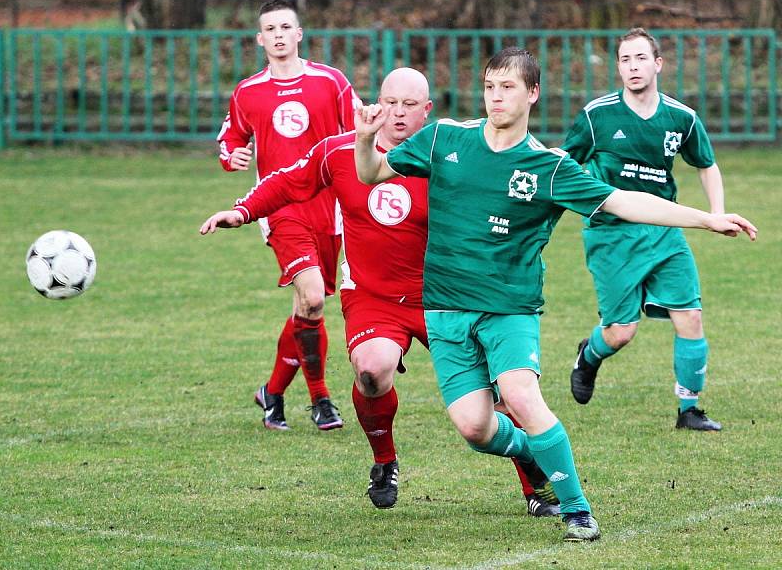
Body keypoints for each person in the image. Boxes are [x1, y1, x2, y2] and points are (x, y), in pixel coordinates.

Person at [353, 47, 756, 542]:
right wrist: (365, 139)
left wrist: (705, 218)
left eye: (508, 88)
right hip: (445, 309)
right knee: (475, 430)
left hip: (510, 309)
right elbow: (371, 173)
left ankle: (577, 509)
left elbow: (623, 200)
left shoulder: (549, 167)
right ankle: (530, 451)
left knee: (521, 394)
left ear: (532, 94)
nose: (496, 97)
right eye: (490, 87)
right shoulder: (443, 139)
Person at [201, 67, 561, 517]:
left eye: (410, 106)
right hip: (373, 296)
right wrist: (243, 211)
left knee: (503, 394)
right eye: (390, 103)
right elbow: (290, 180)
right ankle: (385, 462)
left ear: (426, 111)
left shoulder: (448, 155)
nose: (398, 114)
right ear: (376, 103)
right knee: (371, 371)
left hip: (446, 295)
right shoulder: (340, 152)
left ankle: (533, 484)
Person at [562, 27, 733, 431]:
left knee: (689, 315)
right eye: (624, 60)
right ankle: (589, 355)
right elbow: (563, 166)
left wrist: (718, 212)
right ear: (618, 68)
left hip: (664, 231)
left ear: (658, 64)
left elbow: (706, 165)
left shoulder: (681, 118)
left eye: (640, 58)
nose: (632, 67)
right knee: (621, 332)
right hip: (611, 233)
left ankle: (688, 410)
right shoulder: (596, 115)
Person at [216, 0, 360, 431]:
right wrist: (232, 157)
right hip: (280, 208)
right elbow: (230, 139)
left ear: (299, 34)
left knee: (307, 306)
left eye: (285, 27)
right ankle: (321, 398)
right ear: (260, 39)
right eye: (269, 29)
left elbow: (359, 130)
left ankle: (273, 392)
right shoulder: (248, 91)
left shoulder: (330, 82)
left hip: (331, 208)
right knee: (313, 297)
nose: (278, 35)